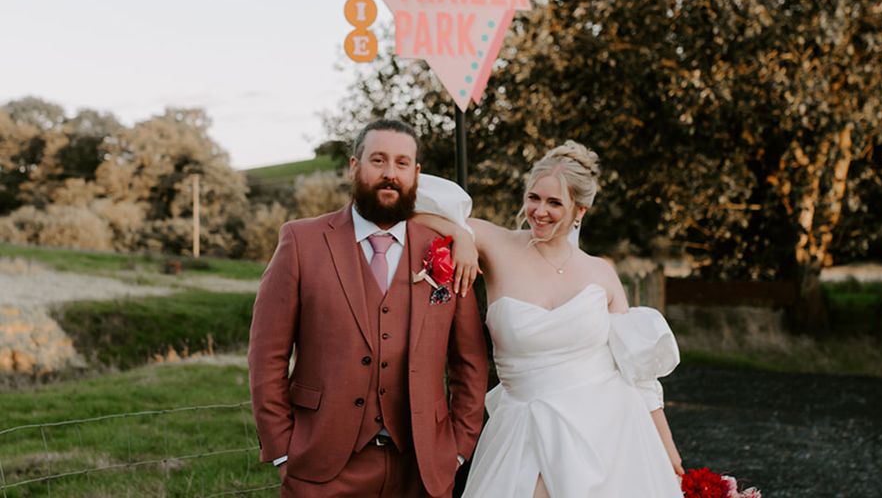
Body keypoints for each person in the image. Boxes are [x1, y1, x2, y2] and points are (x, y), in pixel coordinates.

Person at [414, 140, 684, 498]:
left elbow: (637, 373)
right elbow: (410, 213)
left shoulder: (601, 272)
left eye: (554, 203)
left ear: (580, 210)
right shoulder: (496, 244)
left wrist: (667, 450)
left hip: (610, 429)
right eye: (534, 198)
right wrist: (461, 235)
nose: (539, 211)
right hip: (525, 426)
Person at [248, 119, 489, 498]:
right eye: (378, 160)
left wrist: (457, 449)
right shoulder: (301, 241)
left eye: (402, 163)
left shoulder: (446, 251)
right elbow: (267, 355)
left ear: (415, 174)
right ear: (354, 166)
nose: (390, 173)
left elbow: (470, 362)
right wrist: (282, 449)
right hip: (321, 466)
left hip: (422, 469)